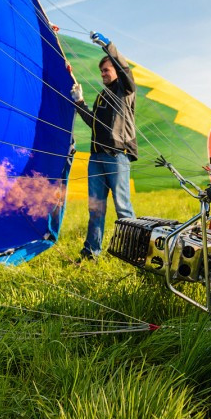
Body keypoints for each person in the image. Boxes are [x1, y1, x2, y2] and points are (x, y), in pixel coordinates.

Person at [70, 32, 138, 260]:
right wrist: (80, 102)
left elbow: (126, 71)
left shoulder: (125, 90)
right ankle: (91, 253)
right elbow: (93, 123)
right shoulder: (102, 96)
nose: (103, 74)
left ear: (116, 70)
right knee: (95, 208)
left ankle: (133, 252)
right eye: (101, 71)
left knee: (122, 207)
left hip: (117, 155)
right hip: (96, 157)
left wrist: (108, 46)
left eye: (106, 70)